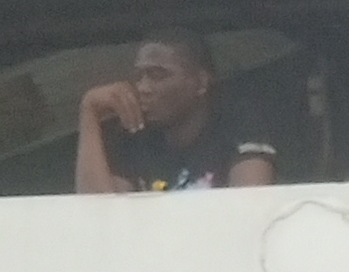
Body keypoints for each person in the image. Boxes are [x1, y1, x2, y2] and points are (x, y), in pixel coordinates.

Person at [74, 30, 278, 193]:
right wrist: (89, 112)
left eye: (157, 75)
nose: (142, 88)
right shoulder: (136, 138)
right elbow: (98, 214)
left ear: (201, 82)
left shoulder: (237, 129)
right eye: (139, 76)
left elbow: (249, 210)